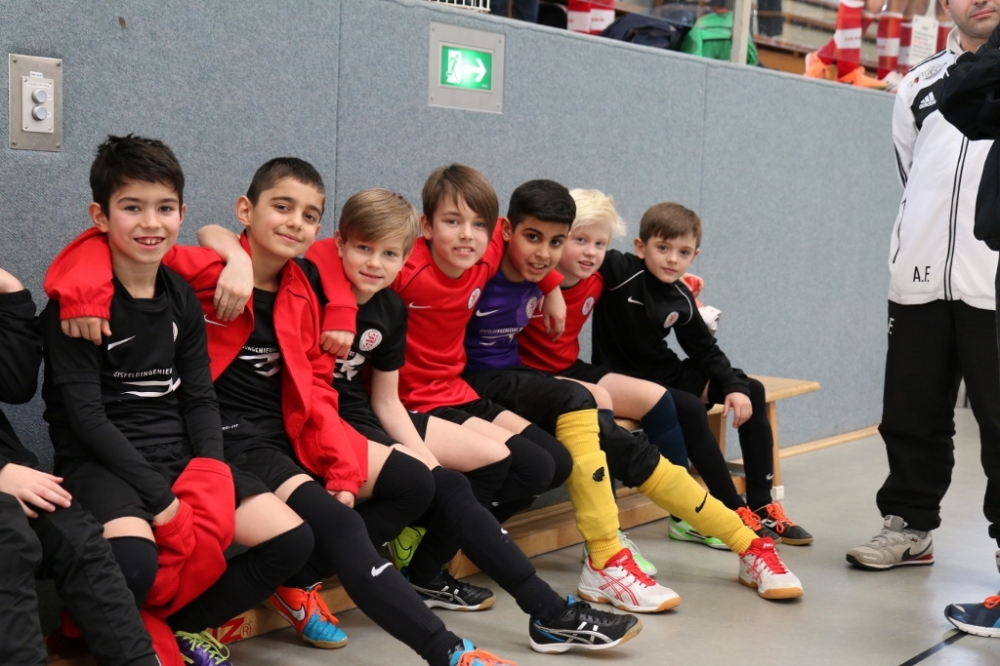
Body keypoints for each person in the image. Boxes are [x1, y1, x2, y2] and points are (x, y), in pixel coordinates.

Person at [49, 156, 519, 666]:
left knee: (407, 488)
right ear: (245, 210)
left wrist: (339, 465)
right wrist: (228, 258)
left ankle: (253, 601)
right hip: (223, 438)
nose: (295, 222)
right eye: (282, 207)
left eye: (309, 215)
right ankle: (447, 651)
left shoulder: (305, 286)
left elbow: (316, 384)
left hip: (264, 435)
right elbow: (113, 250)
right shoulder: (203, 274)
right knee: (339, 529)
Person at [288, 187, 638, 652]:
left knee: (452, 480)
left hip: (364, 411)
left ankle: (544, 611)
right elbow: (305, 254)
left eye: (389, 253)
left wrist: (426, 459)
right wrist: (339, 305)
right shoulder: (314, 282)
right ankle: (549, 612)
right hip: (312, 417)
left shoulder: (389, 306)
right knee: (433, 485)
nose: (375, 262)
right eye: (365, 249)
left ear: (402, 256)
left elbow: (386, 402)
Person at [462, 179, 804, 606]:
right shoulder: (482, 260)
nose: (551, 251)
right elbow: (495, 242)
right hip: (495, 381)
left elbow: (580, 260)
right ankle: (609, 552)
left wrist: (550, 285)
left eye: (560, 241)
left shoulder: (582, 273)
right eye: (542, 239)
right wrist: (551, 284)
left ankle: (743, 537)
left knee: (630, 428)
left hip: (532, 377)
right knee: (581, 416)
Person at [41, 135, 314, 666]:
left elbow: (199, 396)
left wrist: (211, 469)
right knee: (134, 563)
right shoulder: (77, 306)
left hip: (179, 453)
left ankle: (175, 626)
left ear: (182, 214)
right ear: (100, 217)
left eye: (164, 208)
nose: (151, 223)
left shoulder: (181, 295)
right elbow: (87, 420)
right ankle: (108, 629)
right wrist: (163, 501)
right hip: (102, 462)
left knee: (292, 540)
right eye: (132, 208)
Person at [517, 189, 811, 548]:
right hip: (611, 374)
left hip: (653, 371)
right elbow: (546, 249)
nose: (672, 259)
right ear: (641, 247)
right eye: (663, 248)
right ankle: (725, 510)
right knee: (684, 406)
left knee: (752, 390)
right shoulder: (616, 271)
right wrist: (551, 287)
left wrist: (734, 384)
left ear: (694, 256)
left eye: (683, 253)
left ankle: (761, 504)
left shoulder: (671, 292)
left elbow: (704, 349)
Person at [844, 0, 1000, 578]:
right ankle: (908, 526)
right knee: (911, 414)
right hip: (920, 276)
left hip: (993, 280)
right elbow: (911, 176)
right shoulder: (917, 83)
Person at [0, 265, 159, 666]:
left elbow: (14, 384)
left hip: (13, 472)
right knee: (10, 540)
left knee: (80, 537)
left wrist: (11, 291)